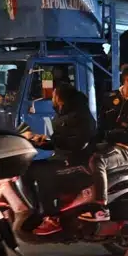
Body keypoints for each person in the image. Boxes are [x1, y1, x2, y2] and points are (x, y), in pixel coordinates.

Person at [80, 66, 128, 222]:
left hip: (127, 150)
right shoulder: (109, 98)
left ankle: (100, 207)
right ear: (127, 79)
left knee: (98, 161)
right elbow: (101, 127)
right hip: (106, 146)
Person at [24, 82, 97, 235]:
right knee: (28, 169)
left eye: (54, 95)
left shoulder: (80, 116)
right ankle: (35, 212)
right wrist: (40, 141)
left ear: (61, 98)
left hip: (76, 162)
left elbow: (76, 143)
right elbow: (59, 142)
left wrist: (51, 142)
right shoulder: (63, 114)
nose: (52, 99)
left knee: (44, 174)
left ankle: (52, 217)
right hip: (62, 158)